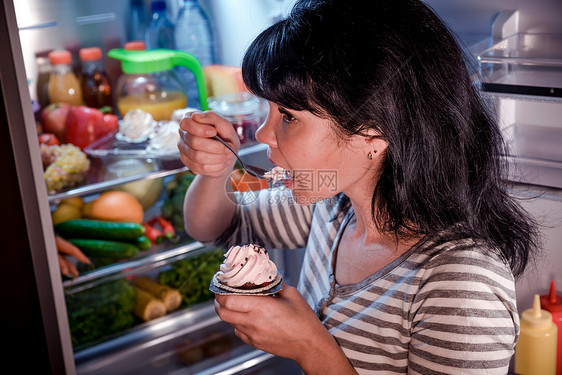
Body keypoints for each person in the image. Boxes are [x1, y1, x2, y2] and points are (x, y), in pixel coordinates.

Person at [177, 0, 539, 373]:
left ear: (373, 133)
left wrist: (310, 347)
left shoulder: (463, 287)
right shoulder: (332, 199)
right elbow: (216, 227)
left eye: (288, 116)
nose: (262, 133)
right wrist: (214, 171)